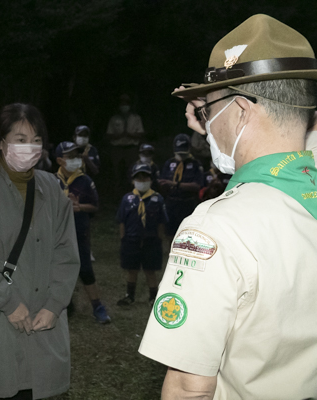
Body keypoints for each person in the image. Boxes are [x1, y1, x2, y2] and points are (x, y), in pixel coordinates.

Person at [138, 14, 317, 399]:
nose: (202, 122)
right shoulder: (307, 186)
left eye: (206, 110)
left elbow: (189, 388)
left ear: (240, 111)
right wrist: (223, 124)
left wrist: (227, 130)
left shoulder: (215, 228)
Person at [0, 103, 80, 400]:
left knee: (47, 389)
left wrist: (55, 304)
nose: (30, 147)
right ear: (0, 143)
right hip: (0, 322)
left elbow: (66, 251)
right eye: (20, 139)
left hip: (45, 324)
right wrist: (8, 302)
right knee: (3, 387)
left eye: (37, 140)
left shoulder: (52, 188)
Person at [55, 141, 110, 324]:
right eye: (70, 157)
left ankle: (98, 307)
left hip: (79, 229)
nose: (75, 160)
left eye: (77, 156)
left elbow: (94, 206)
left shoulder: (85, 180)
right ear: (60, 160)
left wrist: (80, 207)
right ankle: (64, 306)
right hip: (58, 233)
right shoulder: (52, 181)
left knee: (85, 268)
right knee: (59, 269)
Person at [115, 163, 167, 306]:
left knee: (150, 270)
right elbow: (122, 221)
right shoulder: (127, 199)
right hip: (131, 239)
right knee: (132, 269)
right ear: (133, 180)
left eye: (145, 178)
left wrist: (159, 239)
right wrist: (123, 238)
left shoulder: (157, 199)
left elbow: (161, 221)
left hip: (151, 240)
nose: (142, 181)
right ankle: (129, 295)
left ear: (151, 180)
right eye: (138, 178)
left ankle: (153, 297)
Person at [158, 134, 203, 237]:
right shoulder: (169, 163)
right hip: (171, 202)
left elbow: (197, 185)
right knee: (171, 233)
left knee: (188, 234)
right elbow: (163, 181)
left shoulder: (195, 164)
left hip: (187, 203)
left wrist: (176, 184)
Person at [106, 94, 144, 194]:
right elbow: (109, 135)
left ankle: (131, 191)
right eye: (122, 103)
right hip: (117, 148)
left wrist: (129, 135)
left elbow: (140, 134)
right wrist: (120, 135)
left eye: (126, 103)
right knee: (116, 172)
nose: (124, 105)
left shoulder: (136, 118)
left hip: (131, 148)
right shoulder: (114, 119)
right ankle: (116, 192)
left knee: (132, 170)